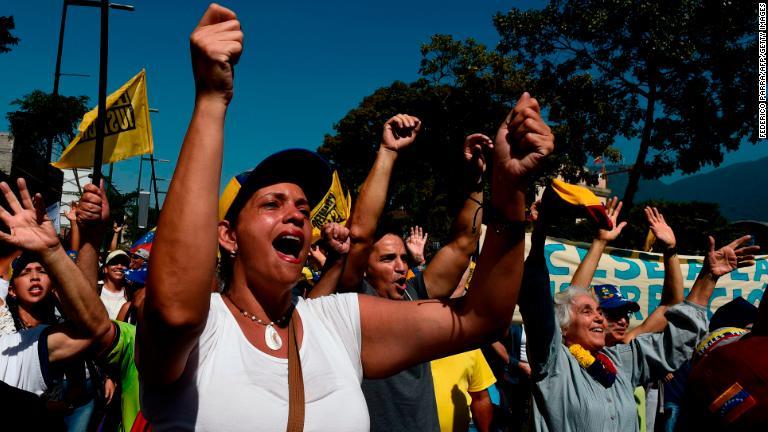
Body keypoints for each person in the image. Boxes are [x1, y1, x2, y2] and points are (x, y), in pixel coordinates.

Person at [137, 4, 553, 431]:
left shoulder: (335, 323)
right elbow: (174, 311)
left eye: (303, 208)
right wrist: (210, 99)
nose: (296, 216)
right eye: (271, 204)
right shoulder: (203, 331)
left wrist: (507, 191)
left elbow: (480, 318)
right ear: (227, 236)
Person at [517, 199, 756, 431]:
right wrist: (538, 235)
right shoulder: (553, 361)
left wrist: (709, 276)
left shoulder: (621, 360)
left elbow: (676, 340)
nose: (601, 318)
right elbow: (535, 298)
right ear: (563, 328)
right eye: (587, 311)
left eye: (600, 312)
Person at [0, 178, 115, 396]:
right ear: (11, 289)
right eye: (25, 273)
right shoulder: (8, 328)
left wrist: (55, 251)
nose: (34, 278)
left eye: (42, 271)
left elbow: (93, 327)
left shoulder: (12, 354)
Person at [100, 249, 130, 319]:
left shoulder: (131, 292)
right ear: (105, 269)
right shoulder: (95, 288)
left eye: (124, 263)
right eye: (114, 262)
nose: (119, 266)